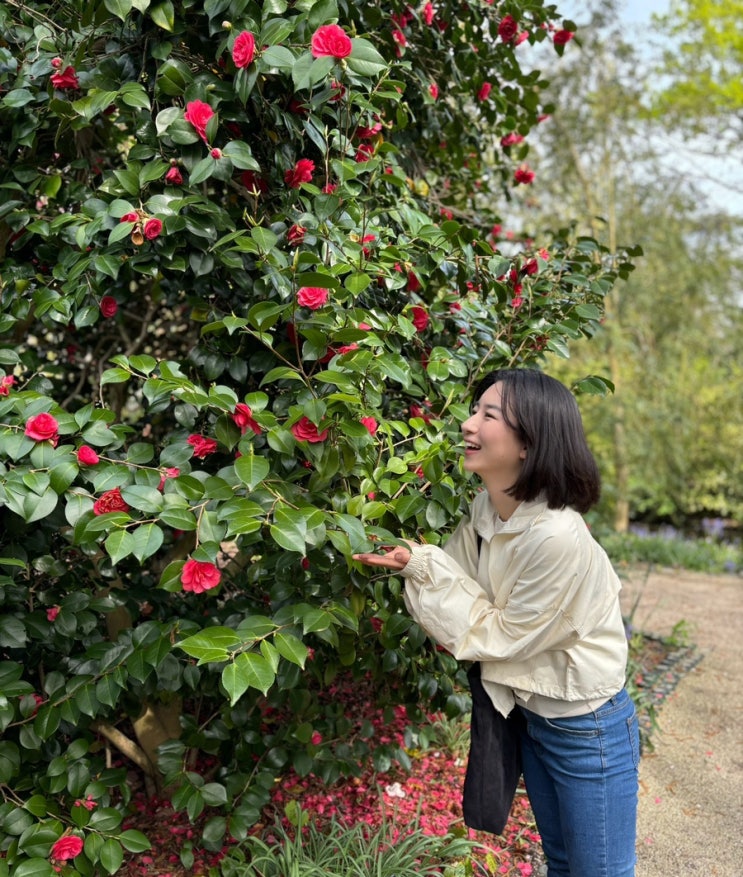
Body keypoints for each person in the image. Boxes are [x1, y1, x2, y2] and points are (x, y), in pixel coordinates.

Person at [353, 368, 640, 877]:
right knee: (562, 863)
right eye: (475, 410)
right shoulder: (487, 508)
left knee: (599, 871)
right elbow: (462, 583)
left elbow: (499, 635)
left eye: (489, 415)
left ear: (528, 443)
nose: (468, 424)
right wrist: (414, 561)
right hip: (531, 713)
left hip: (586, 726)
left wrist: (424, 566)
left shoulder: (556, 536)